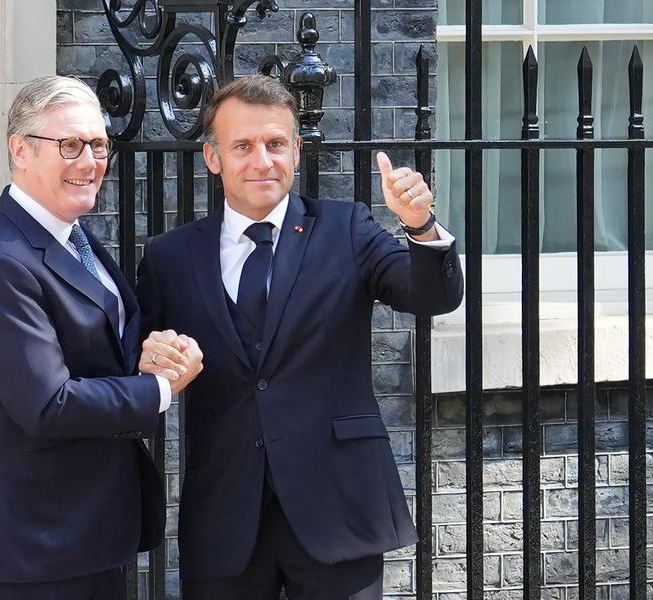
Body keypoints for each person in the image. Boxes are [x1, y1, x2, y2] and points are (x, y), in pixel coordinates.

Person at [136, 74, 463, 600]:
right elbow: (136, 353)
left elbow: (431, 296)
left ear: (297, 151)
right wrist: (148, 356)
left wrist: (421, 226)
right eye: (242, 146)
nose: (261, 160)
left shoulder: (347, 228)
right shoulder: (169, 257)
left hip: (337, 507)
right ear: (212, 157)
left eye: (275, 144)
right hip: (224, 514)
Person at [0, 75, 202, 600]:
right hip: (27, 551)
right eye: (70, 145)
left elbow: (96, 344)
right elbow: (48, 404)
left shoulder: (69, 234)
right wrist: (161, 388)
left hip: (78, 538)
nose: (89, 161)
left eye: (98, 145)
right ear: (20, 150)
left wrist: (147, 353)